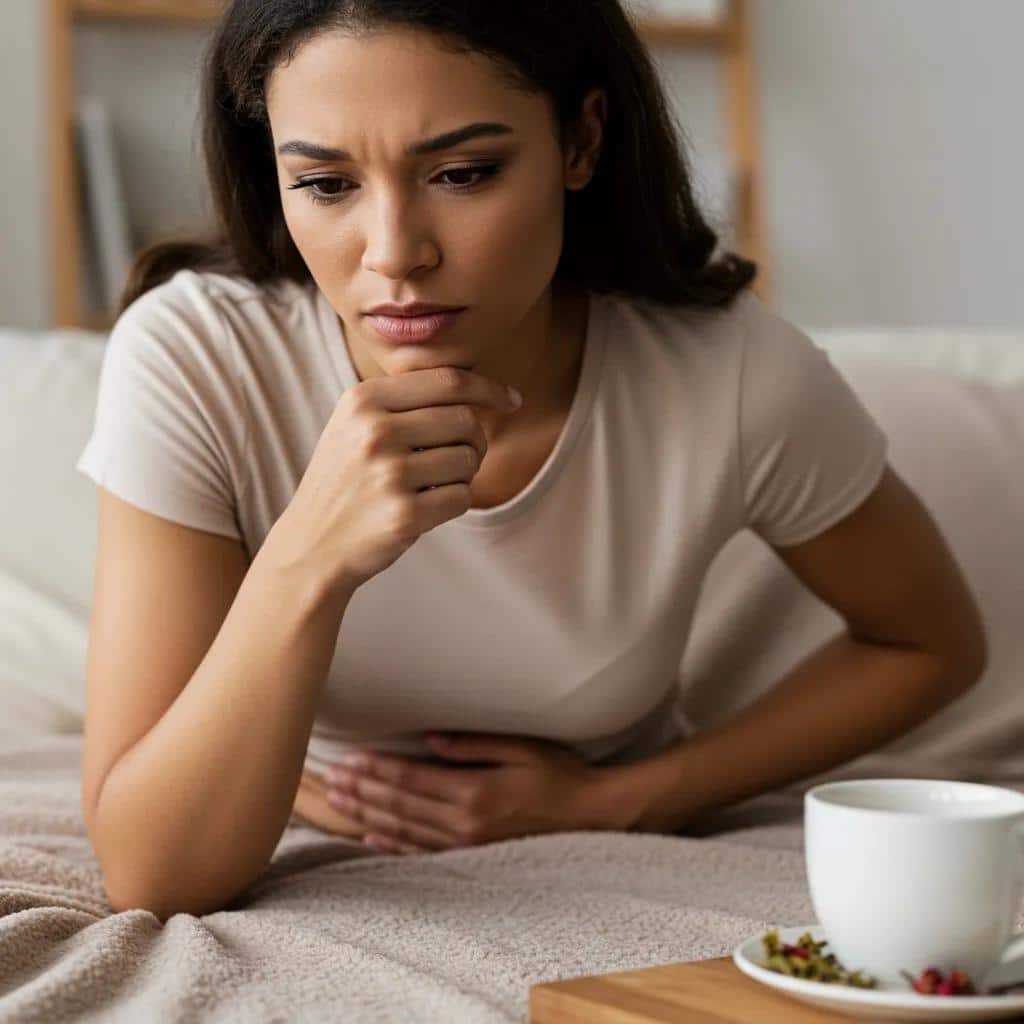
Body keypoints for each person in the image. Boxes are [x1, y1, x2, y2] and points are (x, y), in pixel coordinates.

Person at [75, 0, 987, 920]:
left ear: (580, 141)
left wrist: (618, 801)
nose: (395, 254)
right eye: (325, 184)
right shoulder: (196, 357)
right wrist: (308, 558)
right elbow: (152, 876)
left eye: (464, 172)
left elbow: (929, 644)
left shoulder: (734, 374)